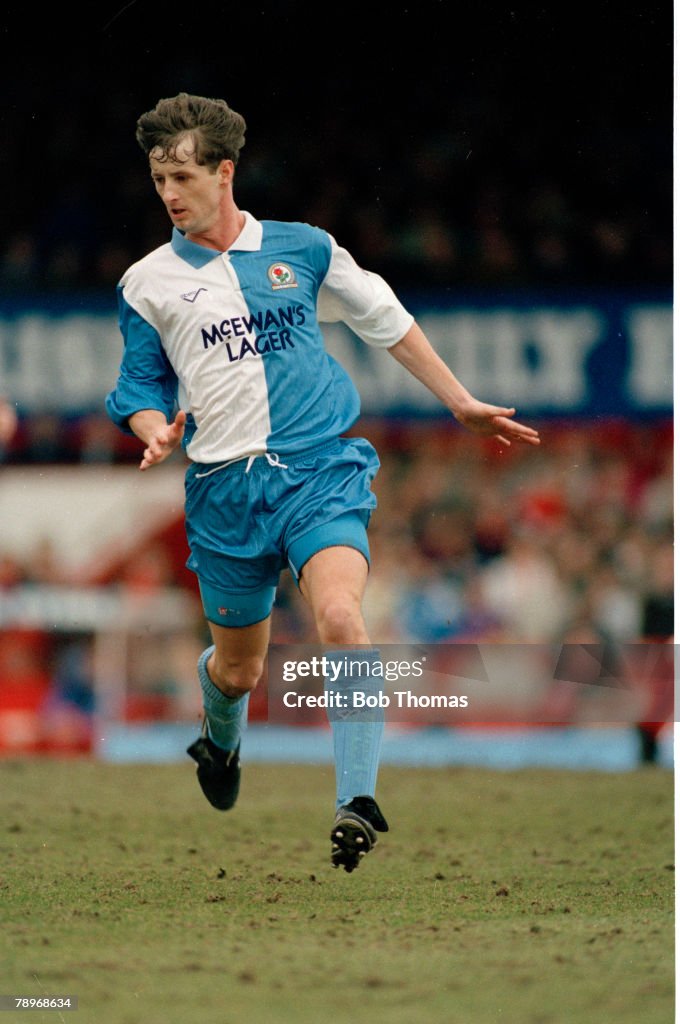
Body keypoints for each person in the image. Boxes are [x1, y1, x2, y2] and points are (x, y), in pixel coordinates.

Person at [105, 93, 540, 872]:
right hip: (223, 492)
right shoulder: (148, 282)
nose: (168, 193)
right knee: (237, 669)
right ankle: (221, 741)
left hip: (317, 471)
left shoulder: (301, 250)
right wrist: (153, 430)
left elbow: (384, 315)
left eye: (181, 175)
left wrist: (460, 401)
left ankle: (357, 799)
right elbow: (138, 384)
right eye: (157, 178)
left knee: (341, 614)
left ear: (224, 171)